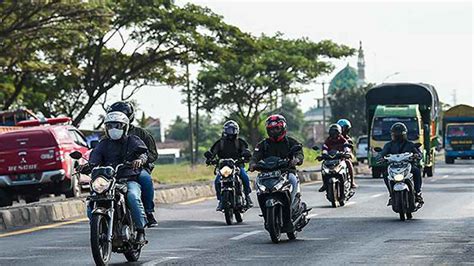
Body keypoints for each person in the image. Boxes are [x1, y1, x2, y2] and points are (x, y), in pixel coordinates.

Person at [87, 111, 148, 244]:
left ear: (125, 127)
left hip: (129, 179)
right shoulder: (103, 143)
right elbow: (95, 157)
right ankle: (97, 229)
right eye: (110, 126)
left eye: (117, 125)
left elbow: (143, 153)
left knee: (132, 196)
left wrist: (139, 159)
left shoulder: (133, 140)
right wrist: (88, 165)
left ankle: (140, 231)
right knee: (92, 200)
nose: (113, 129)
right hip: (107, 181)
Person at [107, 101, 158, 227]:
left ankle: (148, 212)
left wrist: (141, 160)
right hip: (114, 170)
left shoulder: (140, 134)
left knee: (145, 179)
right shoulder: (107, 137)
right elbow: (98, 153)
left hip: (136, 169)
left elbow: (152, 154)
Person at [249, 114, 304, 206]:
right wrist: (252, 164)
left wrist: (297, 160)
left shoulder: (291, 142)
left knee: (293, 179)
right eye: (271, 129)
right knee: (258, 181)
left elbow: (299, 153)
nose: (273, 131)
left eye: (276, 128)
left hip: (286, 172)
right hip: (267, 174)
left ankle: (292, 204)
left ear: (283, 128)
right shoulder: (263, 144)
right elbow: (255, 156)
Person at [206, 120, 253, 211]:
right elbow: (213, 152)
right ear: (225, 131)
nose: (230, 132)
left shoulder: (240, 142)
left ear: (236, 130)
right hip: (224, 167)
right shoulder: (220, 143)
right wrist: (210, 158)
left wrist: (246, 155)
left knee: (244, 177)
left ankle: (247, 197)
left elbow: (245, 150)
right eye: (228, 130)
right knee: (217, 181)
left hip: (237, 166)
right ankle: (220, 200)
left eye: (232, 130)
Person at [377, 122, 423, 205]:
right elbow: (382, 153)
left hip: (408, 166)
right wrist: (381, 158)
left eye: (400, 135)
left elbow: (418, 153)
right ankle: (391, 194)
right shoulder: (388, 145)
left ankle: (418, 193)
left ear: (404, 135)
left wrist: (417, 155)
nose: (398, 137)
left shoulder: (410, 144)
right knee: (385, 174)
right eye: (396, 135)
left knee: (416, 171)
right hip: (393, 167)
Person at [318, 124, 353, 192]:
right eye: (332, 133)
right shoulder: (328, 140)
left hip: (340, 158)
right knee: (323, 165)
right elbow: (325, 148)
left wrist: (347, 152)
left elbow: (346, 146)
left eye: (335, 133)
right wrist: (324, 154)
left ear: (339, 133)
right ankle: (324, 184)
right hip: (331, 159)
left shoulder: (342, 139)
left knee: (348, 162)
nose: (334, 135)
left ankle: (351, 183)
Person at [337, 119, 358, 188]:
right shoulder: (333, 138)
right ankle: (325, 184)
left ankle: (352, 182)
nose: (345, 131)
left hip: (344, 157)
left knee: (348, 162)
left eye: (346, 129)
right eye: (343, 128)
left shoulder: (348, 139)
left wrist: (348, 153)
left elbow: (351, 149)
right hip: (335, 157)